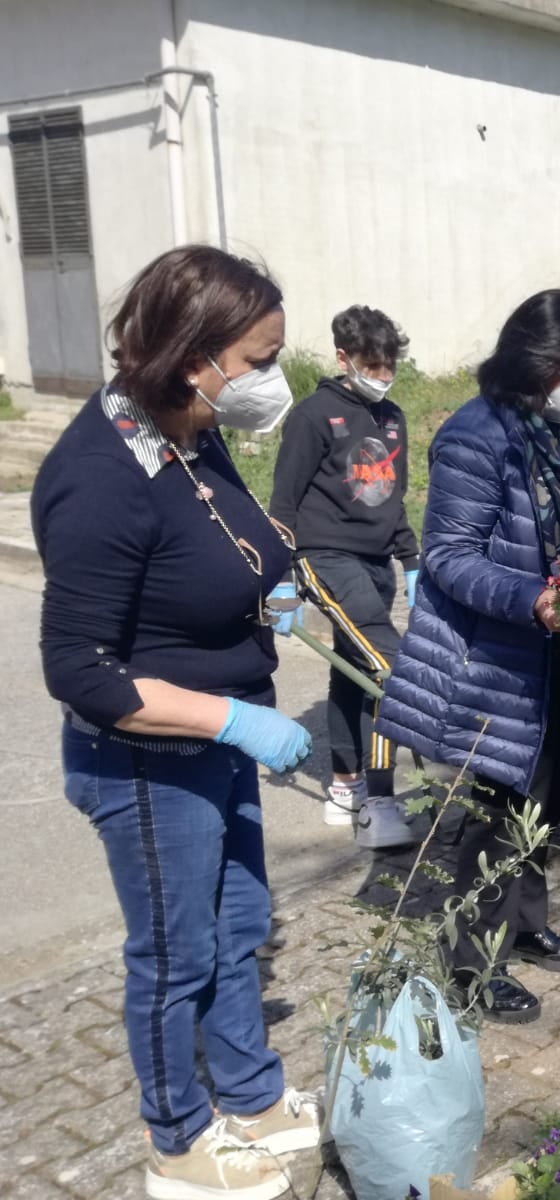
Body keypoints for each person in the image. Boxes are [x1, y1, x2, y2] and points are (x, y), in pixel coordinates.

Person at [32, 246, 320, 1198]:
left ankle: (247, 1091)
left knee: (239, 924)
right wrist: (230, 720)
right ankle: (178, 1140)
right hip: (149, 762)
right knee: (174, 951)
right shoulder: (99, 475)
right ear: (195, 355)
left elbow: (214, 542)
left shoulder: (191, 429)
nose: (270, 378)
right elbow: (79, 668)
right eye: (259, 357)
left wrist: (270, 590)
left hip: (219, 733)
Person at [376, 290, 560, 1023]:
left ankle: (526, 924)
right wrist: (534, 597)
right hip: (502, 660)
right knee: (496, 812)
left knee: (546, 800)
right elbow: (450, 557)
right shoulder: (475, 436)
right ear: (537, 364)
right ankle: (472, 964)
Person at [268, 305, 421, 849]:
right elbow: (282, 503)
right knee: (392, 669)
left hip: (375, 561)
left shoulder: (392, 418)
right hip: (325, 556)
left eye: (389, 365)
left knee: (352, 672)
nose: (382, 375)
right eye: (371, 365)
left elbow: (391, 497)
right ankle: (378, 801)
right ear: (343, 358)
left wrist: (412, 562)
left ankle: (344, 785)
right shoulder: (314, 416)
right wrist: (278, 580)